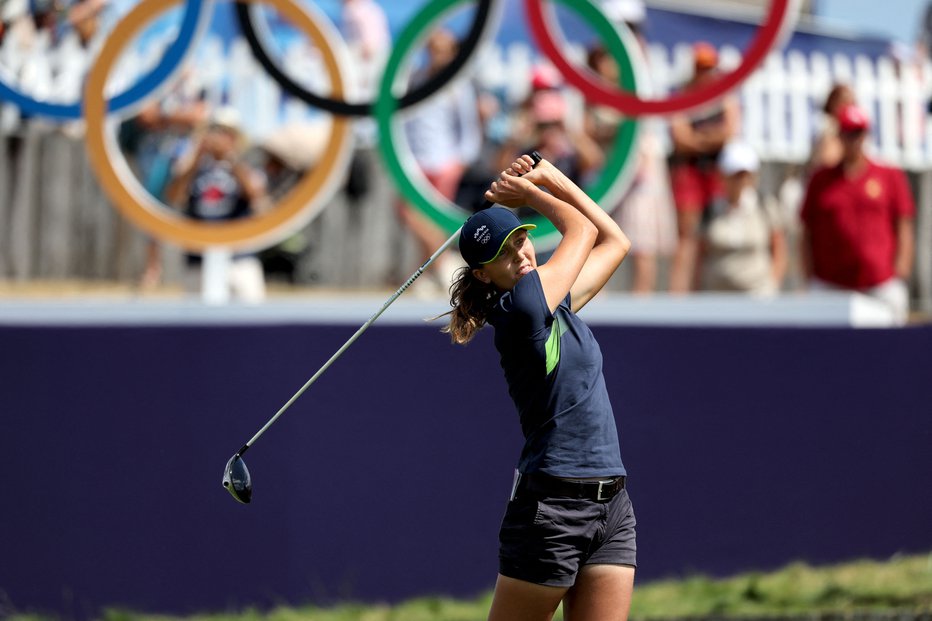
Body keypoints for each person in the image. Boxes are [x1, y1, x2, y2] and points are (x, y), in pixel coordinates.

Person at [443, 154, 636, 620]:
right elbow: (583, 232)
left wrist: (551, 176)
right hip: (552, 507)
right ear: (484, 275)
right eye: (503, 255)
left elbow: (616, 240)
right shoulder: (519, 310)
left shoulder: (557, 301)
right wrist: (531, 192)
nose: (520, 256)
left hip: (612, 504)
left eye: (520, 242)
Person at [801, 104, 916, 325]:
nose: (853, 139)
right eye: (848, 133)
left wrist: (901, 268)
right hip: (830, 283)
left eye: (857, 133)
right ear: (839, 136)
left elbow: (903, 224)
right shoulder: (821, 180)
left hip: (879, 282)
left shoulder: (888, 175)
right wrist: (809, 275)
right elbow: (806, 229)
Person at [166, 107, 269, 303]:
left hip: (239, 258)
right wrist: (196, 157)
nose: (220, 138)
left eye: (226, 133)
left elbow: (256, 195)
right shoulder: (192, 165)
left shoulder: (248, 164)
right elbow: (174, 196)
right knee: (197, 327)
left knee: (253, 323)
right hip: (199, 258)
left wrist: (230, 158)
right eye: (216, 131)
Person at [667, 42, 741, 293]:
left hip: (715, 172)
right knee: (687, 236)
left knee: (712, 236)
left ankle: (701, 292)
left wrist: (698, 139)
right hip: (690, 171)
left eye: (709, 68)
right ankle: (679, 295)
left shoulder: (723, 97)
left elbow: (729, 133)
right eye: (702, 68)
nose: (706, 74)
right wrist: (710, 138)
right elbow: (680, 139)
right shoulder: (682, 95)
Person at [698, 141, 787, 294]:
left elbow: (779, 250)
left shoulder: (764, 206)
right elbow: (700, 254)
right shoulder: (711, 209)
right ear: (723, 176)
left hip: (757, 295)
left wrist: (772, 285)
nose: (741, 181)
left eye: (745, 175)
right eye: (735, 175)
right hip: (716, 297)